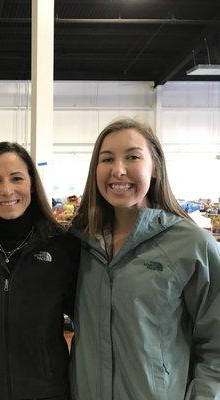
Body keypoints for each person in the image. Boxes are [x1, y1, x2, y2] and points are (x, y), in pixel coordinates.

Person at [70, 118, 220, 400]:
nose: (118, 170)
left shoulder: (191, 245)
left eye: (133, 157)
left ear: (155, 168)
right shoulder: (81, 244)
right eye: (107, 159)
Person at [0, 142, 79, 400]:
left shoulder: (61, 247)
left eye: (16, 178)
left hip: (47, 392)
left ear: (32, 184)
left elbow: (89, 322)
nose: (7, 190)